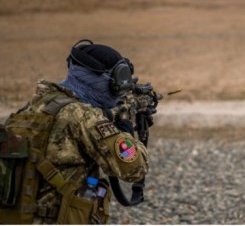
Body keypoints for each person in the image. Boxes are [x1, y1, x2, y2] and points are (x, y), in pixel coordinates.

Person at [0, 39, 148, 224]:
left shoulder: (29, 109)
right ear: (112, 81)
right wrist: (125, 129)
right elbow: (134, 169)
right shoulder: (83, 117)